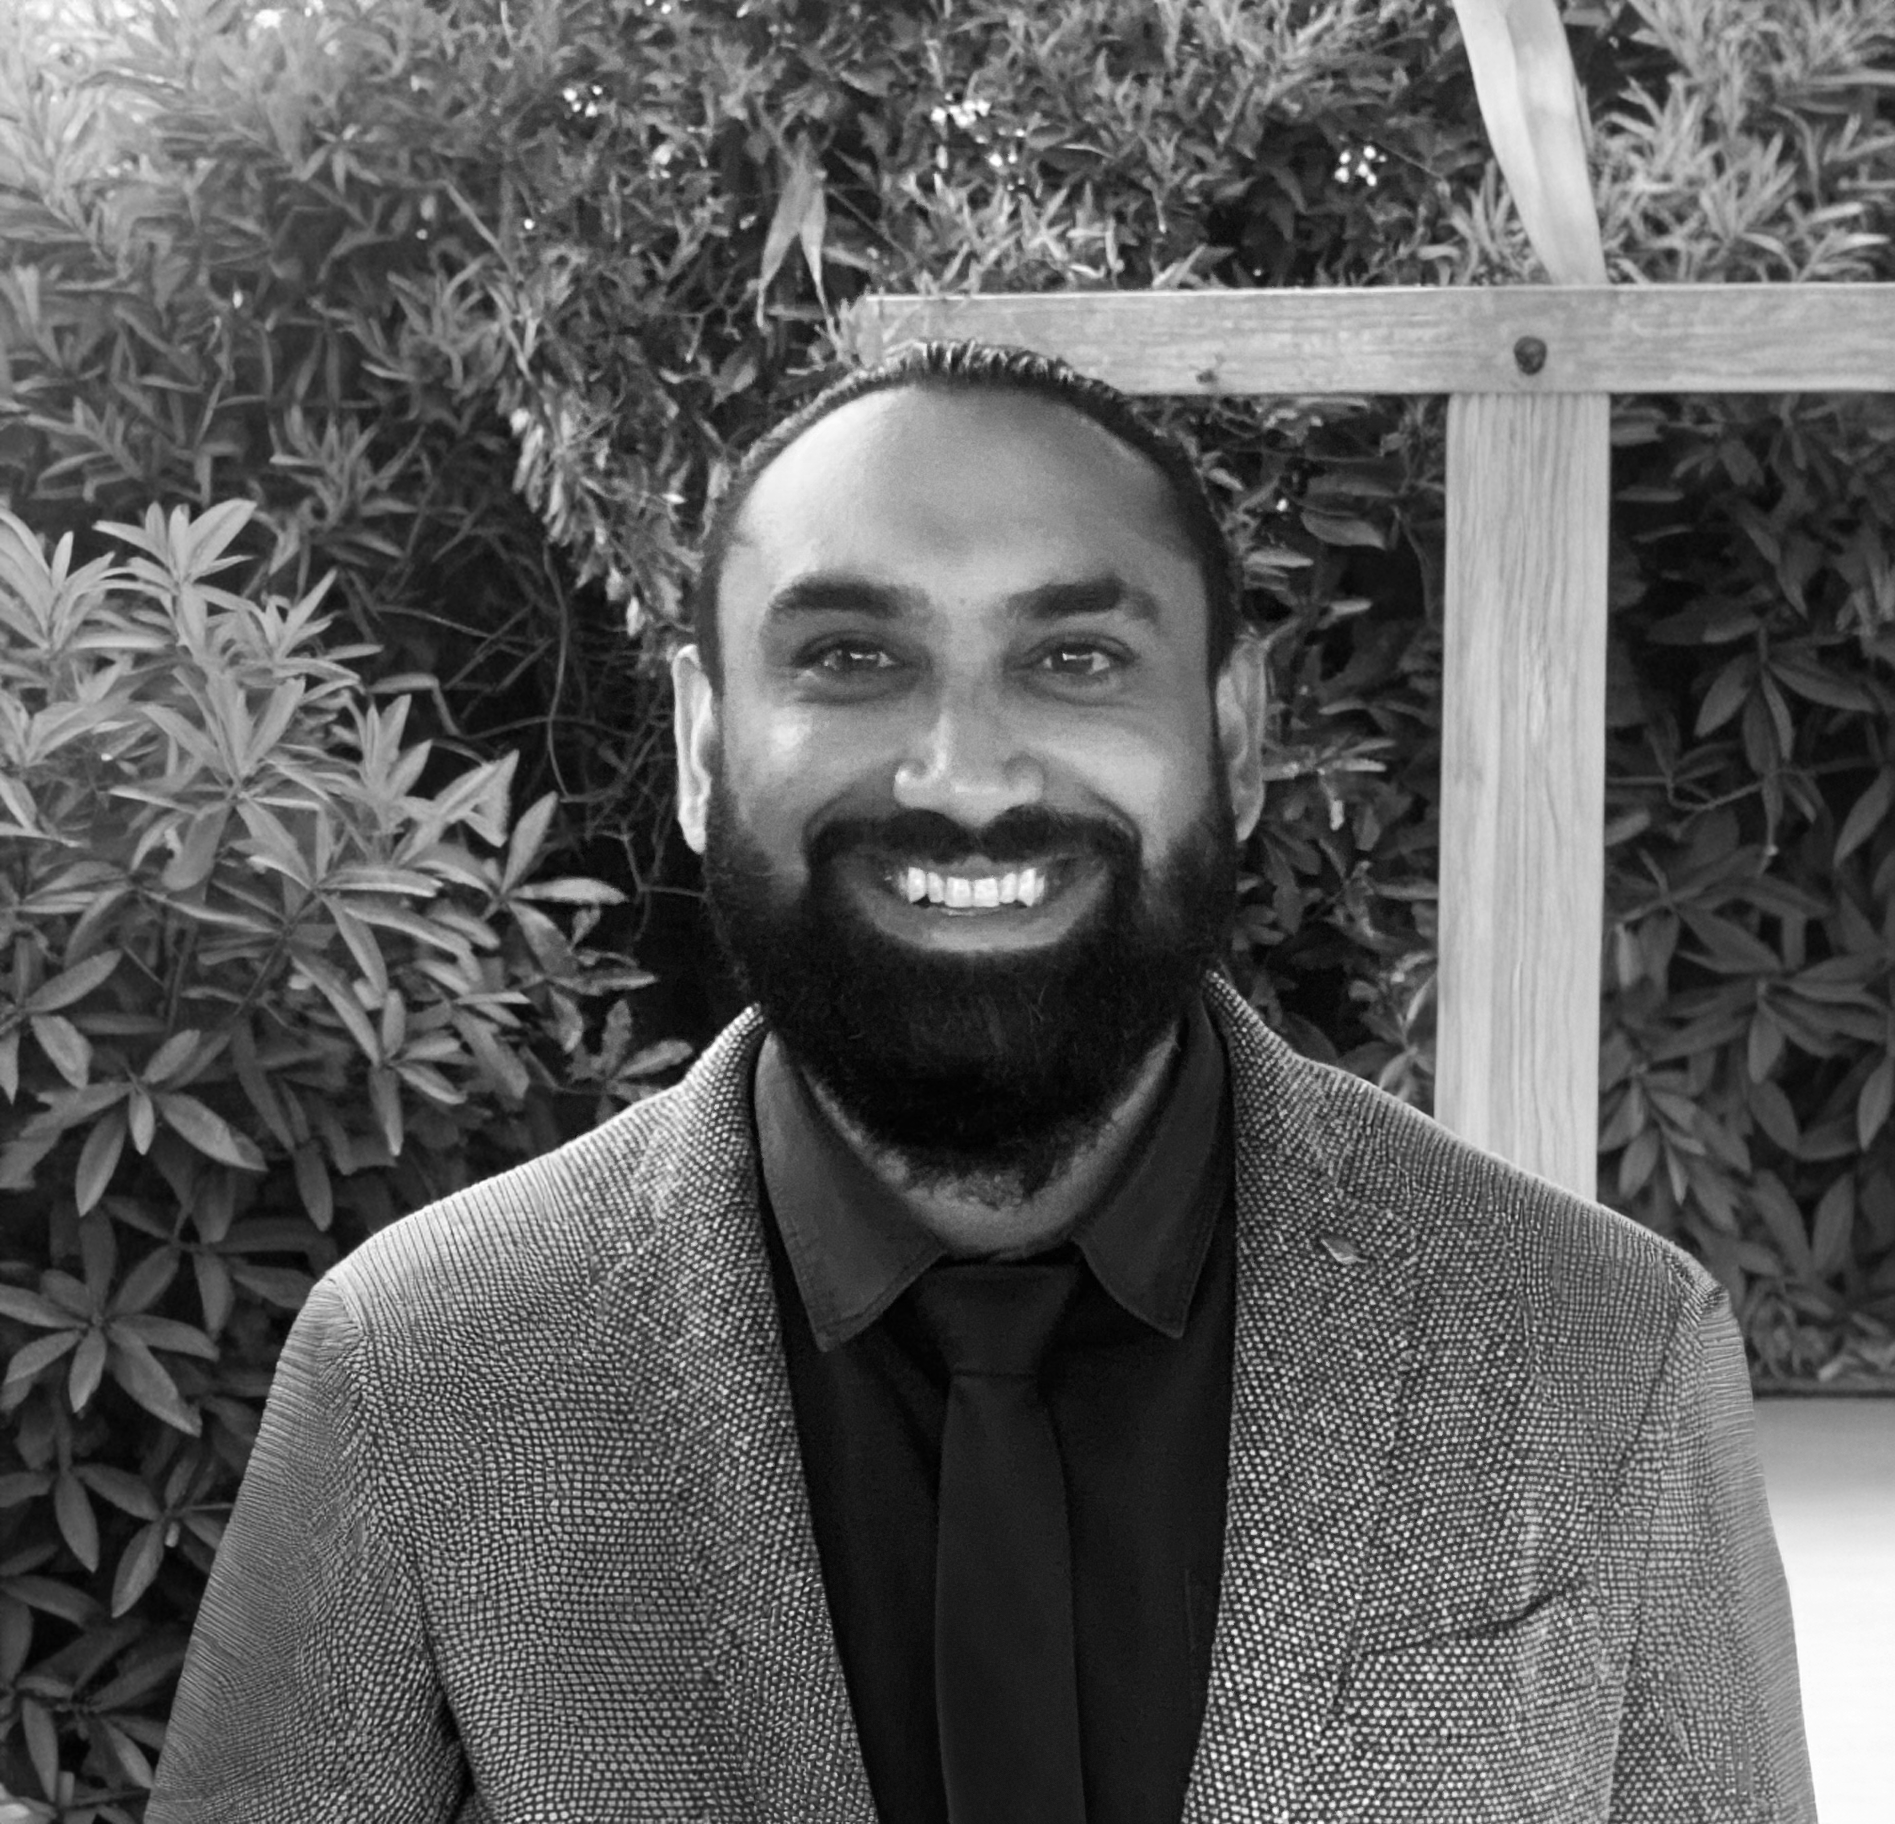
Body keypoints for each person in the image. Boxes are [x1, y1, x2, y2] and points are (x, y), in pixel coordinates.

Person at [150, 341, 1814, 1823]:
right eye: (850, 657)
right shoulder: (418, 1369)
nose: (961, 778)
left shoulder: (1605, 1348)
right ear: (704, 744)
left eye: (1074, 657)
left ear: (1235, 736)